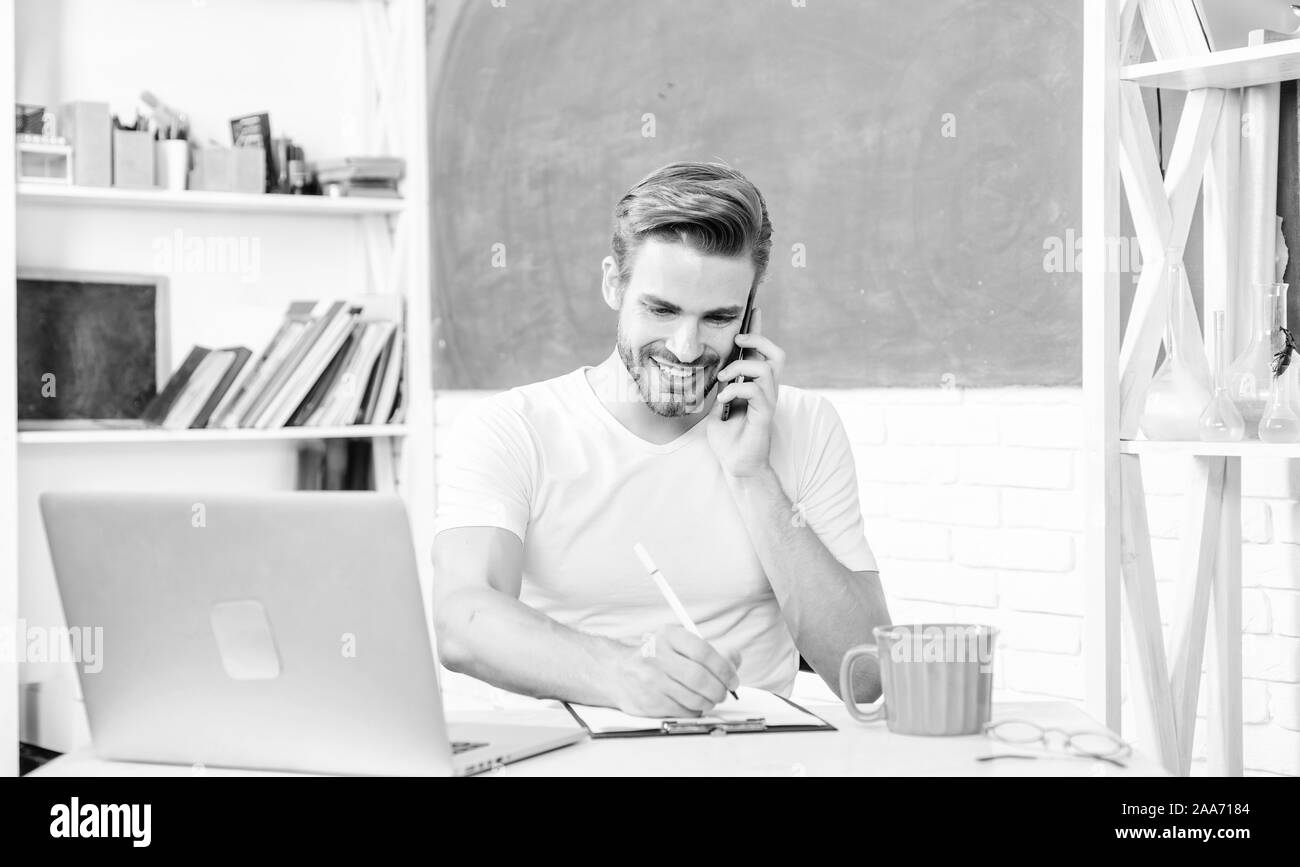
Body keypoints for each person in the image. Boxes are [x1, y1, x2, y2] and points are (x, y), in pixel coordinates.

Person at [432, 161, 890, 717]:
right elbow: (461, 620)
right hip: (577, 759)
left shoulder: (806, 426)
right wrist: (620, 674)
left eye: (718, 317)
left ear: (751, 314)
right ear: (612, 284)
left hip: (755, 759)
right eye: (662, 309)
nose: (688, 347)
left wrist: (753, 476)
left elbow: (865, 675)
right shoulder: (514, 428)